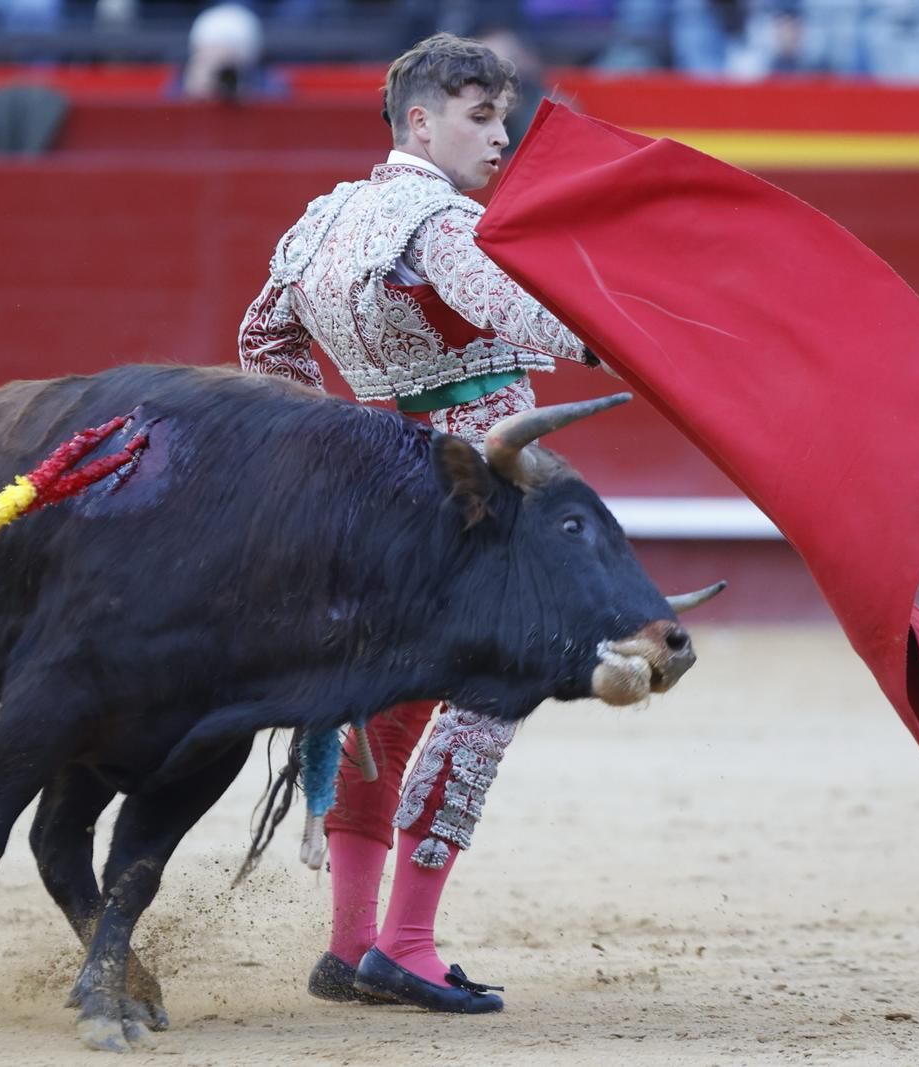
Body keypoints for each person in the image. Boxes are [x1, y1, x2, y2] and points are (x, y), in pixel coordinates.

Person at [236, 32, 605, 1014]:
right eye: (480, 118)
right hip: (486, 485)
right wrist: (612, 333)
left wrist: (327, 454)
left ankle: (351, 941)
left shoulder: (323, 221)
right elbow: (506, 301)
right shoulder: (439, 221)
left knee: (383, 710)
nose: (500, 139)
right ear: (419, 120)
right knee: (494, 687)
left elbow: (262, 335)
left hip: (381, 489)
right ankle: (405, 940)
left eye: (502, 117)